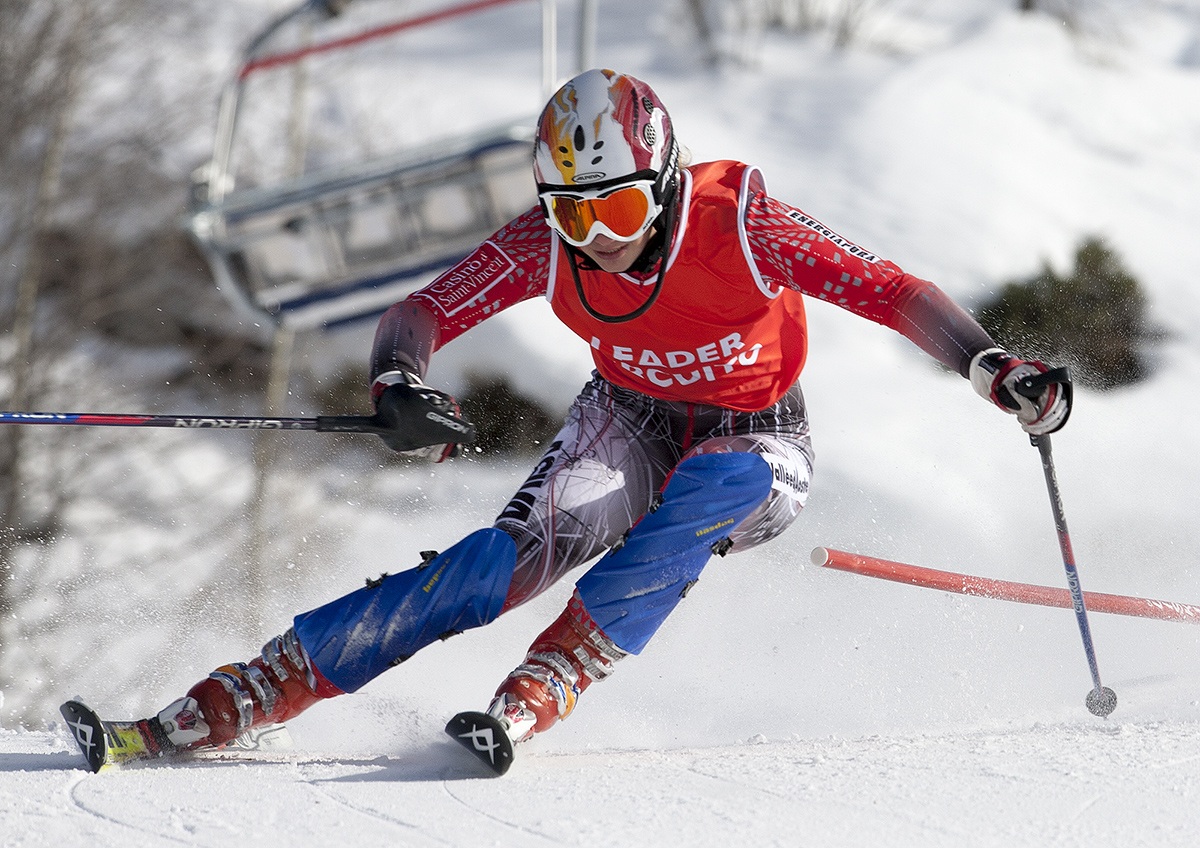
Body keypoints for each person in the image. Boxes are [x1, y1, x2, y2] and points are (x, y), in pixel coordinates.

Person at [149, 68, 1070, 755]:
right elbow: (419, 313)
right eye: (575, 217)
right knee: (500, 563)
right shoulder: (547, 246)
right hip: (627, 416)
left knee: (713, 490)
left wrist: (993, 367)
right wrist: (399, 380)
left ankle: (558, 669)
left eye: (621, 206)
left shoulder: (739, 225)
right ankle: (268, 682)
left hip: (757, 432)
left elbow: (888, 289)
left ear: (665, 182)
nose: (604, 240)